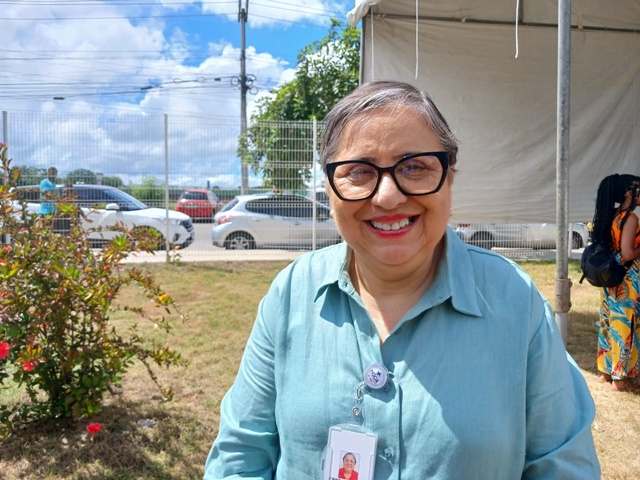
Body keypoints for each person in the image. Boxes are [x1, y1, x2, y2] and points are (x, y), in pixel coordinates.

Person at [203, 81, 600, 478]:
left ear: (451, 175)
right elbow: (240, 458)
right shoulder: (291, 293)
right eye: (359, 171)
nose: (388, 196)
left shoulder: (514, 299)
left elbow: (563, 466)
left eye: (414, 166)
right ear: (329, 187)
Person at [591, 174, 640, 393]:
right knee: (624, 325)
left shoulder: (611, 215)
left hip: (610, 278)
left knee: (608, 322)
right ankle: (620, 379)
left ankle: (605, 372)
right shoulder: (630, 219)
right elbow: (628, 252)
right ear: (630, 193)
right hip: (626, 281)